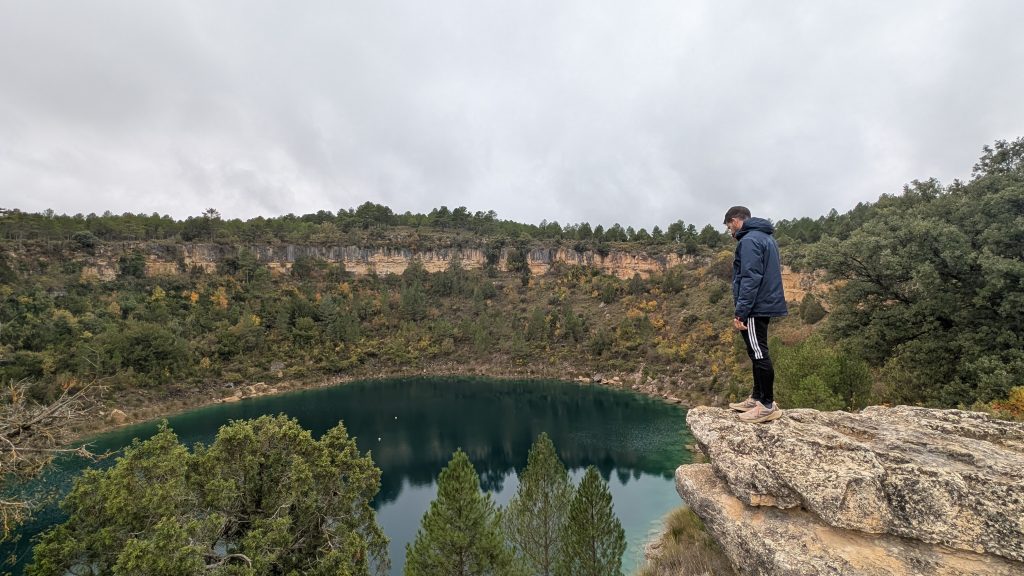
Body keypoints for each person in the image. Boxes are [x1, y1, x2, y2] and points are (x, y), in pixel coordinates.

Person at [723, 206, 788, 423]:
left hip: (755, 306)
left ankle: (767, 405)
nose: (730, 231)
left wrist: (741, 312)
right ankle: (757, 397)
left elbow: (750, 277)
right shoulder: (765, 237)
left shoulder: (749, 240)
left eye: (728, 226)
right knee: (755, 351)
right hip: (762, 303)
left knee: (759, 353)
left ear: (735, 221)